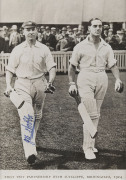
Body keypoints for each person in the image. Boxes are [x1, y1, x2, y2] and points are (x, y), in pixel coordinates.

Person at [68, 18, 124, 160]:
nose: (97, 28)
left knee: (96, 113)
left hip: (101, 78)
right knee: (90, 113)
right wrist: (71, 83)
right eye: (94, 26)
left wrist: (118, 79)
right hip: (85, 77)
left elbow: (112, 65)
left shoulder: (106, 46)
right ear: (89, 29)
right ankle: (87, 148)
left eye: (100, 26)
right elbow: (72, 66)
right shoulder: (80, 46)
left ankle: (91, 144)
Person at [5, 21, 56, 164]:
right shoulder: (18, 49)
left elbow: (51, 67)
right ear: (23, 32)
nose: (31, 32)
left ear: (37, 31)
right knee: (27, 115)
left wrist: (50, 82)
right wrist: (9, 85)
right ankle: (30, 152)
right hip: (22, 83)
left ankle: (31, 140)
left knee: (37, 113)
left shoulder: (44, 49)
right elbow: (10, 70)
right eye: (28, 29)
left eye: (33, 29)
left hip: (40, 83)